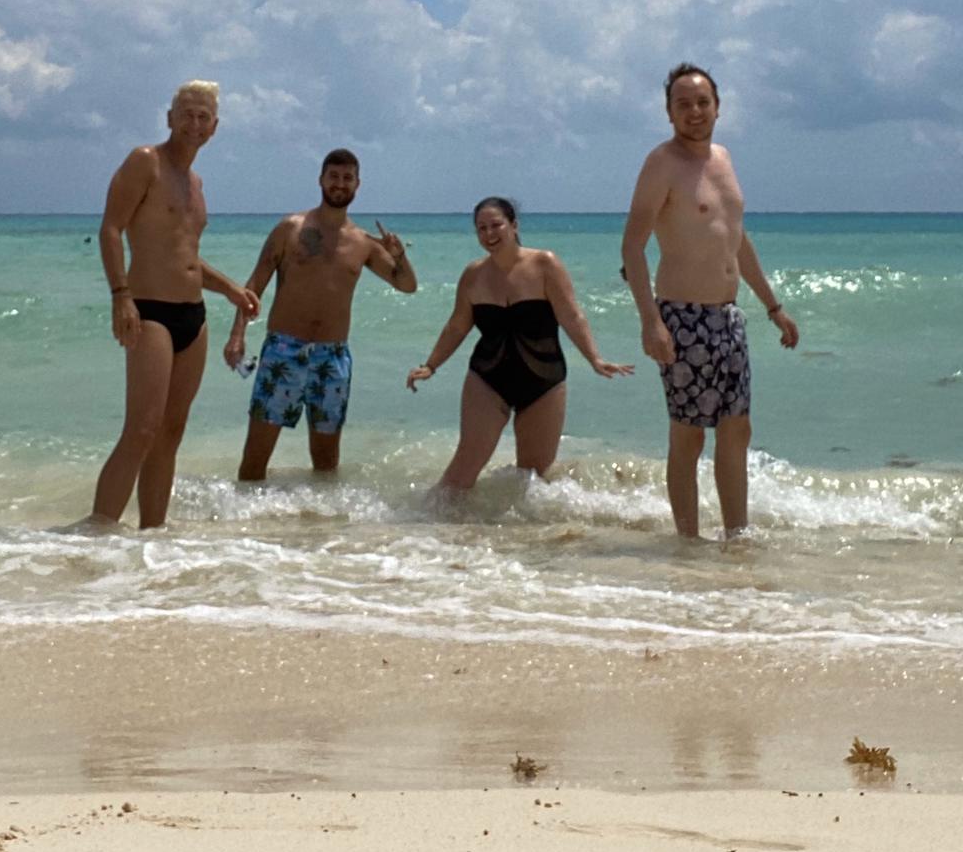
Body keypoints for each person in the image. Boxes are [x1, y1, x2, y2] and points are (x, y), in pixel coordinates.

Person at [620, 64, 799, 539]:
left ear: (718, 108)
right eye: (683, 104)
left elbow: (736, 240)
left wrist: (773, 307)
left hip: (728, 317)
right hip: (682, 317)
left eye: (703, 102)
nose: (694, 112)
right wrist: (650, 321)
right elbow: (633, 246)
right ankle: (688, 541)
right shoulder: (662, 163)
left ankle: (737, 536)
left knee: (737, 429)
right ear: (669, 112)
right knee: (689, 434)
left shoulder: (723, 158)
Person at [88, 81, 259, 529]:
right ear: (170, 118)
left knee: (170, 433)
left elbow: (185, 257)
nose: (194, 123)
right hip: (149, 311)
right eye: (187, 113)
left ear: (214, 127)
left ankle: (152, 537)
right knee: (142, 429)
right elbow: (111, 229)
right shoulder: (145, 161)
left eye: (204, 116)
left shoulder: (196, 184)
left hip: (193, 317)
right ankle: (97, 533)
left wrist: (231, 289)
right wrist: (120, 296)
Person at [407, 198, 632, 490]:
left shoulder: (545, 264)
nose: (489, 233)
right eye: (481, 228)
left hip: (544, 380)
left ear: (514, 225)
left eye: (496, 225)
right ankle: (426, 519)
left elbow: (571, 315)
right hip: (487, 378)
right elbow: (457, 325)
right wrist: (431, 365)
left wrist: (594, 358)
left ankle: (518, 524)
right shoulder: (473, 275)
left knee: (532, 479)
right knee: (463, 467)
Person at [223, 149, 417, 479]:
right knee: (255, 460)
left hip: (333, 357)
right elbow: (254, 286)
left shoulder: (363, 242)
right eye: (334, 176)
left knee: (326, 465)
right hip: (284, 351)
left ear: (357, 184)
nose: (340, 184)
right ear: (321, 180)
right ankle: (246, 514)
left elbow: (407, 285)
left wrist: (399, 256)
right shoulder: (290, 228)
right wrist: (237, 335)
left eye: (347, 178)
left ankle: (319, 516)